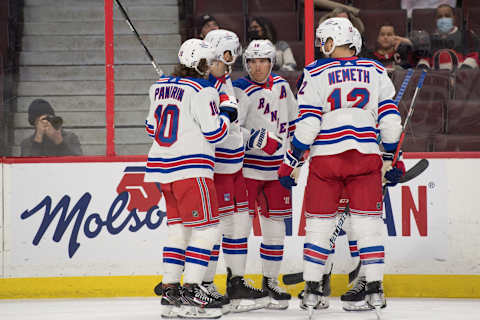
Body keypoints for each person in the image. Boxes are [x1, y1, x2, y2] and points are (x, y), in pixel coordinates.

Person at [277, 18, 405, 314]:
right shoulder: (375, 69)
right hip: (365, 155)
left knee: (319, 226)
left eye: (324, 41)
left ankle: (311, 290)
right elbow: (390, 121)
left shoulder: (315, 71)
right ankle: (374, 289)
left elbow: (308, 123)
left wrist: (291, 161)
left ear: (333, 40)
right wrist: (391, 157)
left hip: (327, 159)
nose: (322, 46)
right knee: (369, 226)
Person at [145, 38, 238, 319]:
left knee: (179, 230)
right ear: (198, 63)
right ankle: (192, 292)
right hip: (191, 169)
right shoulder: (203, 89)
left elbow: (151, 128)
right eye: (207, 62)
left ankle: (171, 291)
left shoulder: (158, 88)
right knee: (208, 229)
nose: (210, 67)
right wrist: (227, 114)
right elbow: (215, 134)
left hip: (162, 170)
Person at [203, 29, 269, 313]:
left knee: (240, 225)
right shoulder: (205, 86)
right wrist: (251, 137)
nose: (232, 58)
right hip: (217, 169)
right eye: (230, 52)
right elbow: (215, 129)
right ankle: (204, 285)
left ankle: (236, 282)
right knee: (214, 230)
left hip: (235, 167)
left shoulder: (224, 81)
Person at [233, 39, 298, 310]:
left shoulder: (283, 86)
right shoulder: (238, 88)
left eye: (263, 61)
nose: (257, 67)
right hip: (247, 169)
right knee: (240, 229)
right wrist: (256, 137)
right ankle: (237, 282)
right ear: (246, 63)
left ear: (272, 62)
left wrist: (295, 159)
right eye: (252, 61)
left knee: (275, 231)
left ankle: (271, 281)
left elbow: (295, 123)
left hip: (277, 170)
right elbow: (228, 128)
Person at [415, 4, 479, 70]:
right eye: (439, 17)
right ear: (435, 20)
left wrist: (462, 73)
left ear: (454, 18)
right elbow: (425, 60)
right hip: (436, 77)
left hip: (461, 77)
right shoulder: (430, 39)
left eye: (447, 16)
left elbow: (473, 56)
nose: (443, 19)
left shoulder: (466, 35)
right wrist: (423, 70)